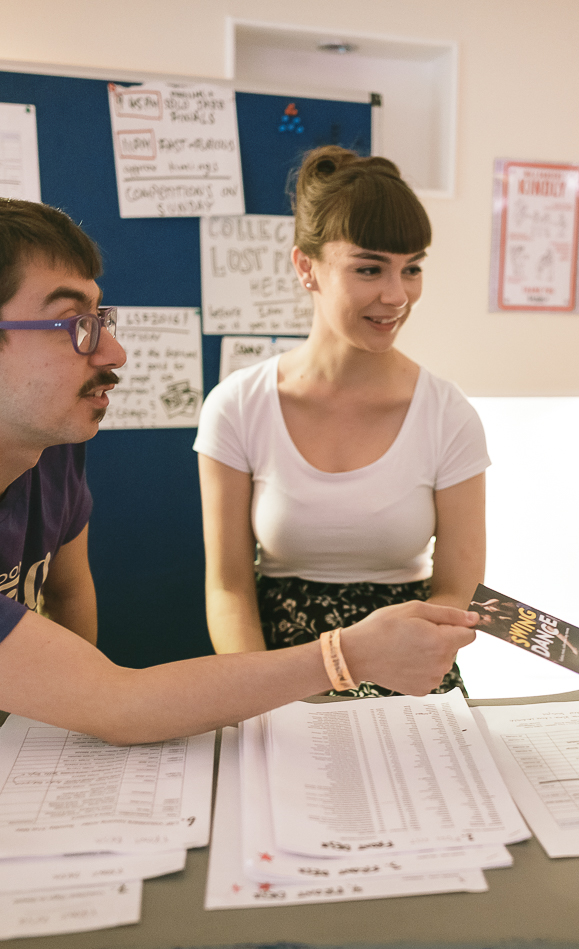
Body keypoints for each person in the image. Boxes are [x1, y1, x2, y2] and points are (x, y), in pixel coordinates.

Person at [0, 194, 478, 740]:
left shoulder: (46, 447)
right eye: (74, 324)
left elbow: (71, 598)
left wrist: (73, 711)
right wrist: (346, 656)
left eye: (101, 319)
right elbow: (118, 704)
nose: (112, 352)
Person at [196, 146, 487, 697]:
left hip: (409, 664)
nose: (397, 295)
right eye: (369, 269)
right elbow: (229, 587)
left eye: (412, 268)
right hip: (278, 665)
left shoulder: (448, 415)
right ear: (306, 267)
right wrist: (264, 698)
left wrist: (398, 662)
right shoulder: (237, 405)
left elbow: (457, 590)